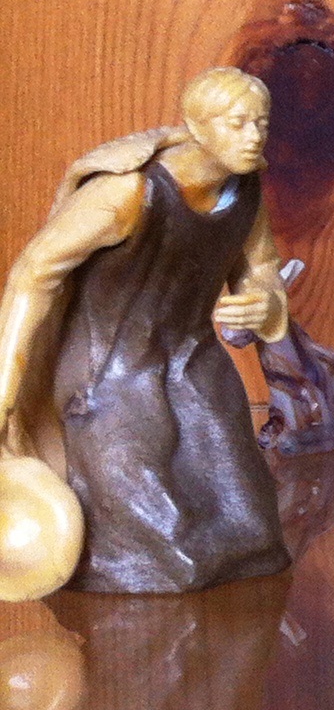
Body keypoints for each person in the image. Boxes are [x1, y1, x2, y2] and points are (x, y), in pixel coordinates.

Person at [0, 68, 291, 593]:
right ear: (198, 127)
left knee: (253, 530)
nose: (254, 137)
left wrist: (264, 303)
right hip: (109, 376)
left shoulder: (244, 190)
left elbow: (262, 268)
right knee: (165, 551)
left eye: (262, 124)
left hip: (194, 363)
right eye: (237, 124)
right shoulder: (128, 192)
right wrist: (5, 387)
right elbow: (32, 273)